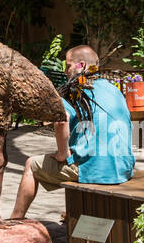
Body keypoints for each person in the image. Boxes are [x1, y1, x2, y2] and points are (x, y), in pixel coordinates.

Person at [9, 44, 135, 221]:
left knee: (32, 164)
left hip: (95, 169)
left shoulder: (75, 91)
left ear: (81, 65)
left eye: (68, 66)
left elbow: (61, 120)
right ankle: (74, 213)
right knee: (79, 153)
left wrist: (62, 154)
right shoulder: (114, 90)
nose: (66, 71)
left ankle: (15, 220)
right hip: (123, 168)